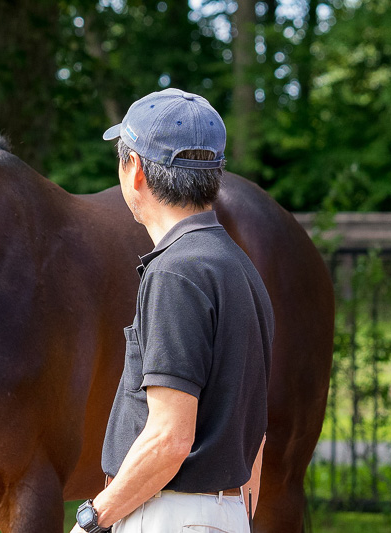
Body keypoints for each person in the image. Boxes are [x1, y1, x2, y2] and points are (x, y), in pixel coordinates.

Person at [71, 88, 273, 533]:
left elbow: (170, 437)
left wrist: (92, 519)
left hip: (168, 516)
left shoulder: (175, 272)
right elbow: (253, 435)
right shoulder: (243, 270)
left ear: (135, 169)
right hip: (227, 514)